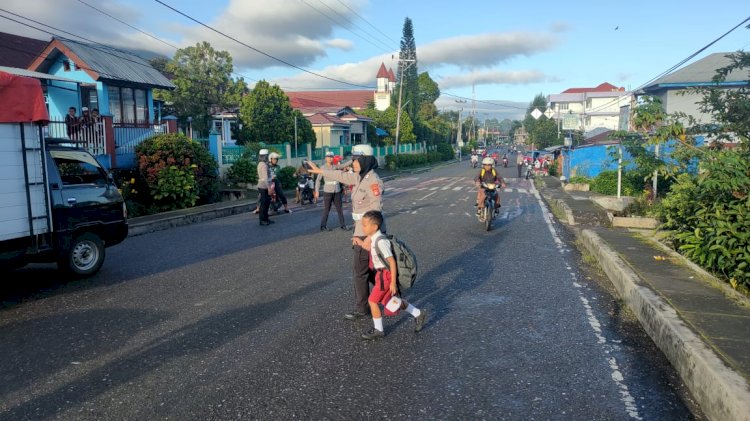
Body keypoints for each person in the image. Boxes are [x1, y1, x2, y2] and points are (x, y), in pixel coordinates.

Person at [307, 144, 384, 320]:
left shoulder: (373, 181)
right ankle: (387, 291)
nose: (353, 163)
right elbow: (340, 175)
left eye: (356, 160)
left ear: (364, 160)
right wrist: (320, 171)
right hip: (360, 231)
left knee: (360, 271)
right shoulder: (359, 177)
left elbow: (376, 212)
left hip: (370, 233)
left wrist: (369, 239)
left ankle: (364, 306)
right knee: (367, 270)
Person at [358, 210, 426, 340]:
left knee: (372, 301)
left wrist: (393, 283)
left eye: (365, 225)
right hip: (381, 276)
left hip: (385, 276)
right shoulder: (374, 239)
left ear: (375, 227)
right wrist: (361, 243)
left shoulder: (381, 241)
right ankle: (418, 313)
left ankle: (378, 330)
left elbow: (391, 262)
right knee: (389, 302)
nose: (363, 227)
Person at [314, 151, 346, 231]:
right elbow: (318, 180)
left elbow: (344, 165)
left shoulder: (335, 167)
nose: (330, 158)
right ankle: (323, 226)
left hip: (337, 191)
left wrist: (352, 160)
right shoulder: (322, 168)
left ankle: (343, 225)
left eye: (331, 157)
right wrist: (317, 191)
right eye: (328, 157)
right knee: (327, 209)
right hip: (327, 191)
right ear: (325, 158)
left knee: (339, 209)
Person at [256, 149, 274, 226]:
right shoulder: (263, 165)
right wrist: (269, 188)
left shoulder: (263, 164)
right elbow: (265, 178)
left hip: (264, 186)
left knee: (267, 203)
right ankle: (262, 220)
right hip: (264, 187)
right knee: (263, 204)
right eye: (267, 155)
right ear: (265, 156)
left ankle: (266, 218)